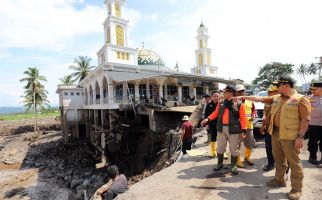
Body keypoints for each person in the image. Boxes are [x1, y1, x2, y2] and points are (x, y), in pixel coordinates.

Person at [235, 75, 311, 200]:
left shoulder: (301, 99)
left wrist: (300, 137)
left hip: (290, 136)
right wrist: (243, 97)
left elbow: (305, 119)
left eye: (279, 85)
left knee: (294, 162)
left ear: (286, 85)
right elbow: (259, 98)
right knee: (279, 159)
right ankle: (280, 180)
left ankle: (297, 189)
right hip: (275, 133)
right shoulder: (276, 98)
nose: (276, 88)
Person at [201, 85, 247, 176]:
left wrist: (244, 131)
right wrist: (208, 119)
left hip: (234, 129)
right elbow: (215, 113)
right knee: (220, 147)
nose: (223, 93)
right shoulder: (221, 102)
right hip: (221, 128)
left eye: (225, 92)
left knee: (234, 148)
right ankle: (219, 164)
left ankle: (233, 166)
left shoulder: (239, 104)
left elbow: (243, 118)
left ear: (230, 92)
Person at [235, 84, 256, 168]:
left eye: (242, 91)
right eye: (239, 91)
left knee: (249, 143)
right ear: (236, 93)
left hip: (248, 126)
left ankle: (247, 157)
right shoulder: (234, 102)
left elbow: (253, 110)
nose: (241, 92)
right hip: (238, 126)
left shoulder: (250, 100)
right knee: (237, 144)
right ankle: (238, 160)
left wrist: (253, 115)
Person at [261, 84, 279, 171]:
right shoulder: (267, 101)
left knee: (280, 149)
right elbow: (265, 114)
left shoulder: (281, 101)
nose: (269, 93)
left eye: (271, 92)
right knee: (268, 147)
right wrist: (263, 125)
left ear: (277, 92)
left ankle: (282, 168)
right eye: (268, 92)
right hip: (268, 128)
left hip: (278, 129)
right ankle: (270, 164)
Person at [307, 81, 322, 166]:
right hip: (313, 124)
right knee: (312, 142)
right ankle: (312, 156)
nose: (312, 91)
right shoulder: (308, 99)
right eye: (311, 89)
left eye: (314, 89)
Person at [204, 91, 220, 157]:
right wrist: (207, 124)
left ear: (219, 97)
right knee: (213, 138)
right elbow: (206, 115)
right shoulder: (209, 105)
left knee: (221, 139)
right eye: (214, 96)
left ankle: (222, 152)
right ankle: (213, 152)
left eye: (217, 96)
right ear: (212, 97)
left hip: (220, 124)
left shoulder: (221, 104)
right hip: (212, 124)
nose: (216, 97)